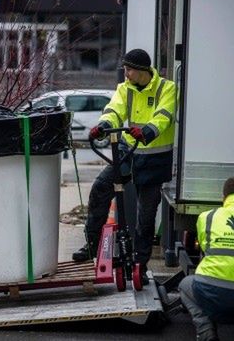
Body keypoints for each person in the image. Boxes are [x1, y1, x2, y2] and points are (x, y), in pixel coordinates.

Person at [72, 48, 177, 285]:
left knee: (146, 214)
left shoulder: (166, 88)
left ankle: (140, 261)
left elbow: (164, 115)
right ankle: (92, 245)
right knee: (100, 189)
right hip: (127, 154)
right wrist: (103, 125)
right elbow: (114, 109)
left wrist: (147, 131)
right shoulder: (124, 88)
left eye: (129, 70)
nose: (126, 74)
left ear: (141, 71)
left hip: (154, 159)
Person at [178, 176, 234, 341]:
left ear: (224, 197)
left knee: (185, 285)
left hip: (212, 293)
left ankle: (206, 332)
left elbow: (206, 249)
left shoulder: (207, 217)